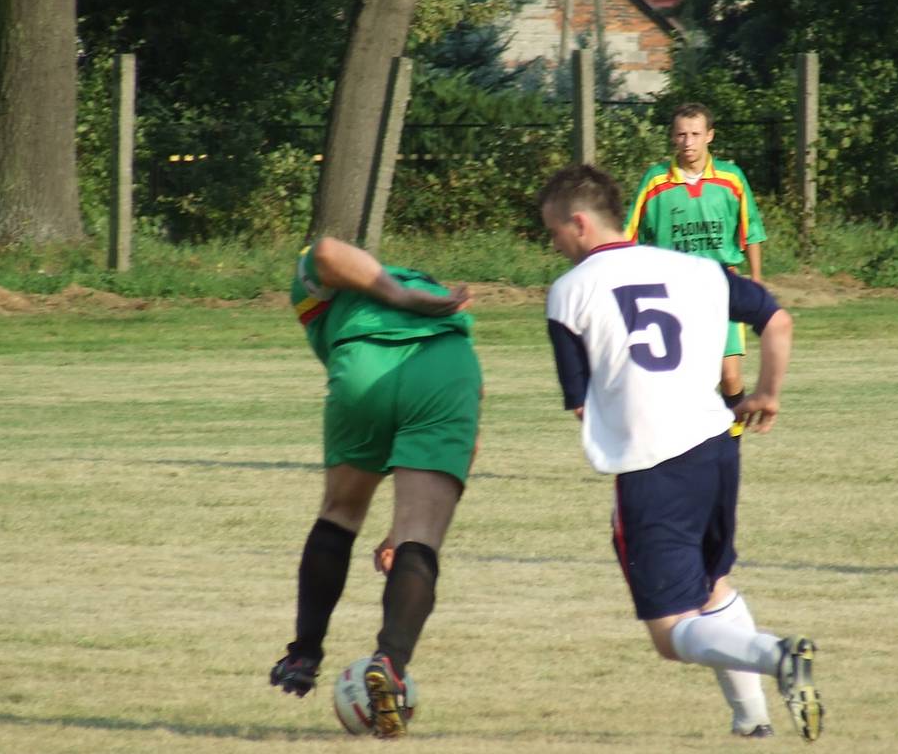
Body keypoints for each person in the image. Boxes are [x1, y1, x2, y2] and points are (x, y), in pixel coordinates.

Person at [540, 164, 823, 742]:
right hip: (716, 448)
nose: (554, 244)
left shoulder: (569, 292)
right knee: (712, 585)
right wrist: (767, 393)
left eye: (554, 231)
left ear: (580, 223)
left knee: (671, 633)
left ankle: (778, 655)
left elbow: (582, 406)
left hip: (652, 464)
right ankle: (752, 722)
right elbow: (779, 321)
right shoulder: (696, 269)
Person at [269, 236, 482, 736]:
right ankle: (390, 663)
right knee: (420, 536)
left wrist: (396, 294)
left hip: (365, 362)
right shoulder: (443, 308)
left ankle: (303, 654)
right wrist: (401, 532)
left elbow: (325, 250)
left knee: (340, 513)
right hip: (447, 370)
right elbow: (474, 420)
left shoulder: (329, 296)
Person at [625, 103, 768, 414]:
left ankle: (734, 433)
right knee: (683, 377)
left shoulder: (731, 178)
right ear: (672, 137)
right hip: (672, 292)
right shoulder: (655, 181)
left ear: (709, 136)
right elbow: (631, 235)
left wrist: (756, 279)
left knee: (730, 376)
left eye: (695, 134)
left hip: (723, 286)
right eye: (681, 135)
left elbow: (751, 230)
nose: (688, 142)